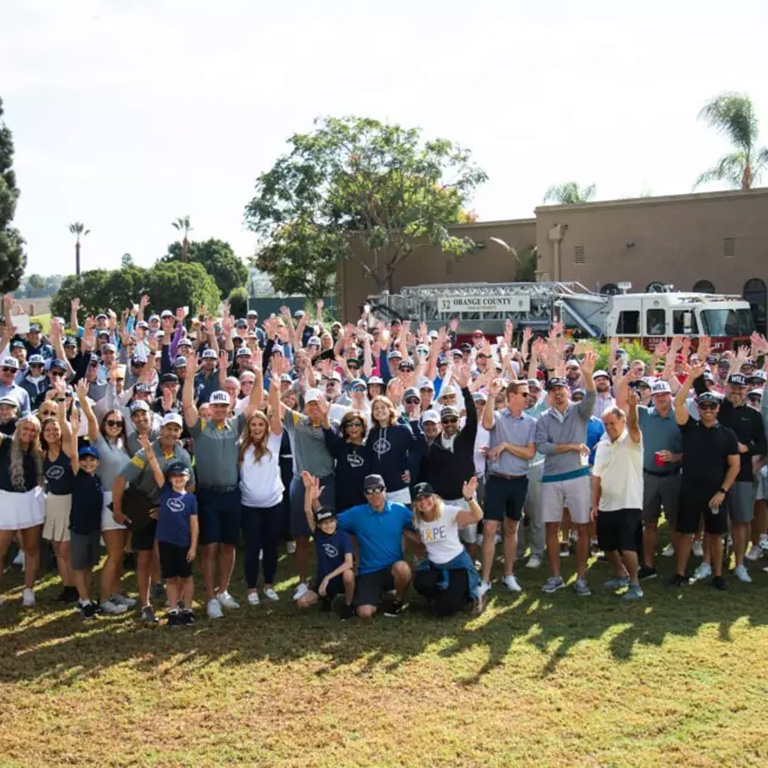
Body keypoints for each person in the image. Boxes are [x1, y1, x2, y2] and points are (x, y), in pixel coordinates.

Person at [182, 354, 262, 620]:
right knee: (210, 548)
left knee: (228, 547)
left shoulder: (236, 425)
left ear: (229, 407)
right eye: (215, 407)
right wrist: (191, 375)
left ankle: (224, 591)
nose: (219, 410)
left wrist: (259, 374)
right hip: (208, 496)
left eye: (223, 406)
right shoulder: (201, 428)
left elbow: (255, 403)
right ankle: (210, 599)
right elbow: (187, 406)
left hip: (231, 494)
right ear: (211, 408)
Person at [113, 413, 194, 622]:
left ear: (180, 433)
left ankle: (178, 603)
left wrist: (174, 507)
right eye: (169, 428)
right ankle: (145, 604)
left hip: (171, 513)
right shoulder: (143, 453)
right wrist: (118, 510)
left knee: (174, 555)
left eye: (176, 429)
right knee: (144, 558)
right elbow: (121, 480)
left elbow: (191, 484)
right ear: (161, 429)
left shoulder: (183, 455)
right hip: (145, 511)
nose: (172, 433)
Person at [672, 364, 740, 590]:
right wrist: (691, 379)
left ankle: (718, 576)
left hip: (715, 493)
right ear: (699, 409)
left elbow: (734, 466)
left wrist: (723, 492)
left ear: (718, 408)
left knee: (715, 535)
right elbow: (678, 403)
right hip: (689, 490)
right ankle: (680, 574)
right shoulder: (690, 427)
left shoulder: (728, 434)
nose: (708, 410)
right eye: (704, 406)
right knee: (685, 534)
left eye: (712, 406)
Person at [535, 350, 597, 596]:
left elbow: (591, 397)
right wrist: (570, 446)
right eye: (553, 390)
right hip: (551, 478)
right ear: (549, 395)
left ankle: (581, 577)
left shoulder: (579, 411)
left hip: (577, 476)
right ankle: (556, 576)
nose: (558, 393)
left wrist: (588, 376)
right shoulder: (543, 417)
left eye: (561, 389)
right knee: (552, 528)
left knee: (582, 527)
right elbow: (542, 447)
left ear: (568, 391)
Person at [76, 381, 134, 613]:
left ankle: (115, 592)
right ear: (104, 424)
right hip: (109, 503)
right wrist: (82, 400)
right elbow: (90, 422)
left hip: (126, 500)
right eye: (110, 422)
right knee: (113, 554)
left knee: (121, 554)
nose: (114, 426)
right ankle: (104, 599)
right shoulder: (98, 442)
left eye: (118, 423)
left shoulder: (121, 446)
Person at [479, 378, 537, 597]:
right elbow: (486, 424)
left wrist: (506, 446)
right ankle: (485, 579)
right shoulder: (497, 416)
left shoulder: (531, 422)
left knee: (512, 528)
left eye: (529, 394)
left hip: (519, 480)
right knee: (489, 529)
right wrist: (492, 395)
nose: (527, 397)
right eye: (523, 394)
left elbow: (530, 453)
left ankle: (509, 575)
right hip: (497, 479)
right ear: (511, 396)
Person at [281, 385, 336, 600]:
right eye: (311, 403)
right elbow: (274, 403)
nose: (315, 407)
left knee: (328, 532)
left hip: (327, 483)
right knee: (302, 536)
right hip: (301, 484)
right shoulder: (297, 422)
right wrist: (279, 385)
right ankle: (303, 582)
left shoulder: (333, 425)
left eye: (318, 403)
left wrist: (325, 419)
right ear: (305, 406)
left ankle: (328, 578)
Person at [336, 474, 415, 618]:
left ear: (385, 490)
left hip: (392, 569)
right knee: (364, 613)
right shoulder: (356, 514)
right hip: (369, 571)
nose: (374, 495)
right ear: (365, 495)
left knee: (403, 569)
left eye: (378, 489)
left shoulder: (400, 510)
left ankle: (398, 602)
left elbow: (420, 526)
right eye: (369, 491)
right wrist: (314, 500)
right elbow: (328, 523)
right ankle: (373, 596)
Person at [591, 391, 644, 600]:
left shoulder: (632, 440)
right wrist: (594, 505)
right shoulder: (602, 446)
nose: (610, 427)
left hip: (628, 504)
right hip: (606, 505)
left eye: (613, 423)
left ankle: (635, 584)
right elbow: (597, 479)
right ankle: (621, 575)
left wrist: (633, 407)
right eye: (606, 424)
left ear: (622, 420)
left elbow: (633, 425)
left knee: (627, 546)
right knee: (607, 545)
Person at [239, 373, 283, 606]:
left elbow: (275, 414)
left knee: (270, 546)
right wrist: (257, 376)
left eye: (260, 424)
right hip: (249, 506)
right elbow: (252, 405)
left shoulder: (274, 440)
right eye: (253, 425)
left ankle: (268, 584)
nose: (256, 428)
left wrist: (274, 389)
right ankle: (252, 588)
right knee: (252, 547)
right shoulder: (241, 445)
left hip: (273, 504)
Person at [411, 478, 484, 615]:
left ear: (434, 497)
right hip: (435, 565)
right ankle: (444, 594)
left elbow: (477, 516)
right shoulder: (418, 519)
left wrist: (469, 499)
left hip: (457, 564)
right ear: (415, 503)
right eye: (419, 499)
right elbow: (420, 540)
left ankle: (472, 594)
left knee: (444, 610)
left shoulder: (448, 512)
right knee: (421, 583)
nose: (423, 502)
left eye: (426, 497)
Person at [142, 454, 198, 626]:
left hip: (184, 543)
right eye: (174, 476)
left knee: (186, 577)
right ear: (169, 479)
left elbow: (194, 524)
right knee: (170, 578)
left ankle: (187, 609)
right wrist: (147, 449)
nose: (178, 479)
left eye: (182, 476)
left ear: (188, 478)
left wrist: (193, 547)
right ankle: (173, 610)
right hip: (166, 542)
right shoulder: (165, 491)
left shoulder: (190, 498)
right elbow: (155, 467)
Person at [0, 415, 45, 605]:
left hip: (30, 500)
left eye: (33, 430)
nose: (29, 432)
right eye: (25, 428)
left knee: (32, 548)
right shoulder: (6, 443)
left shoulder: (37, 452)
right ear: (18, 428)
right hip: (6, 501)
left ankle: (29, 590)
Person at [297, 472, 355, 619]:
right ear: (319, 525)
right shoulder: (318, 534)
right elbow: (307, 510)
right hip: (322, 582)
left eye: (331, 522)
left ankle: (348, 604)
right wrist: (309, 489)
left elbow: (349, 562)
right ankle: (326, 599)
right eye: (324, 523)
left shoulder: (343, 536)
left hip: (337, 580)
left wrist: (327, 578)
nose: (328, 526)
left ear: (336, 521)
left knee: (349, 575)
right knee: (302, 603)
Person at [40, 393, 78, 604]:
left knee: (65, 548)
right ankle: (67, 587)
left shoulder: (66, 448)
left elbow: (64, 426)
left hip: (69, 500)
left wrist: (62, 402)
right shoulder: (43, 454)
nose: (52, 432)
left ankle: (74, 585)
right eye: (48, 430)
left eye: (54, 430)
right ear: (42, 434)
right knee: (56, 547)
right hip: (53, 501)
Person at [68, 410, 105, 619]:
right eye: (85, 460)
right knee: (80, 566)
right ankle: (82, 600)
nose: (88, 463)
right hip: (79, 529)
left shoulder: (97, 479)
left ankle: (87, 599)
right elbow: (73, 455)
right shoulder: (78, 475)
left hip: (93, 528)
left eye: (92, 460)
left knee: (90, 565)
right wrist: (74, 433)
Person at [322, 409, 371, 512]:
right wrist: (324, 414)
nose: (353, 427)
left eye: (357, 424)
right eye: (349, 424)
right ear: (345, 428)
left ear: (363, 427)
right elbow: (327, 431)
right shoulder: (341, 445)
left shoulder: (370, 447)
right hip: (342, 499)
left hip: (364, 500)